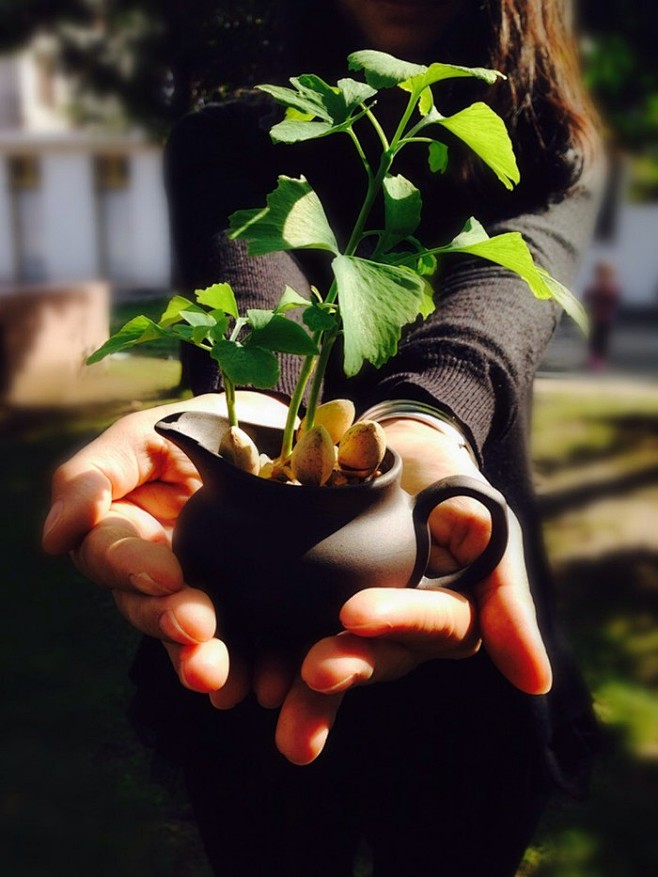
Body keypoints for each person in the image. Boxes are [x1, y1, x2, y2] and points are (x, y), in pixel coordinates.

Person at [42, 1, 604, 874]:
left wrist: (425, 416)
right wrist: (263, 417)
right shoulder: (231, 138)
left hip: (461, 582)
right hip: (245, 612)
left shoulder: (550, 150)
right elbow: (264, 297)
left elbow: (491, 308)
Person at [584, 259, 621, 370]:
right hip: (595, 318)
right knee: (593, 340)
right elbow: (587, 297)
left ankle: (600, 361)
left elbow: (613, 300)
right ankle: (593, 359)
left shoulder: (612, 289)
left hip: (606, 319)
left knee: (602, 341)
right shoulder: (595, 288)